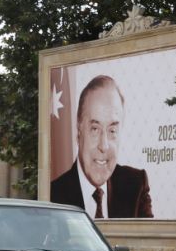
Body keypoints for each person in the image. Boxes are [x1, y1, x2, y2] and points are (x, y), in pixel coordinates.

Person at [50, 75, 153, 218]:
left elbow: (148, 240)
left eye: (112, 131)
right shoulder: (52, 196)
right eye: (95, 129)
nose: (103, 146)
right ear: (79, 128)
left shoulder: (135, 185)